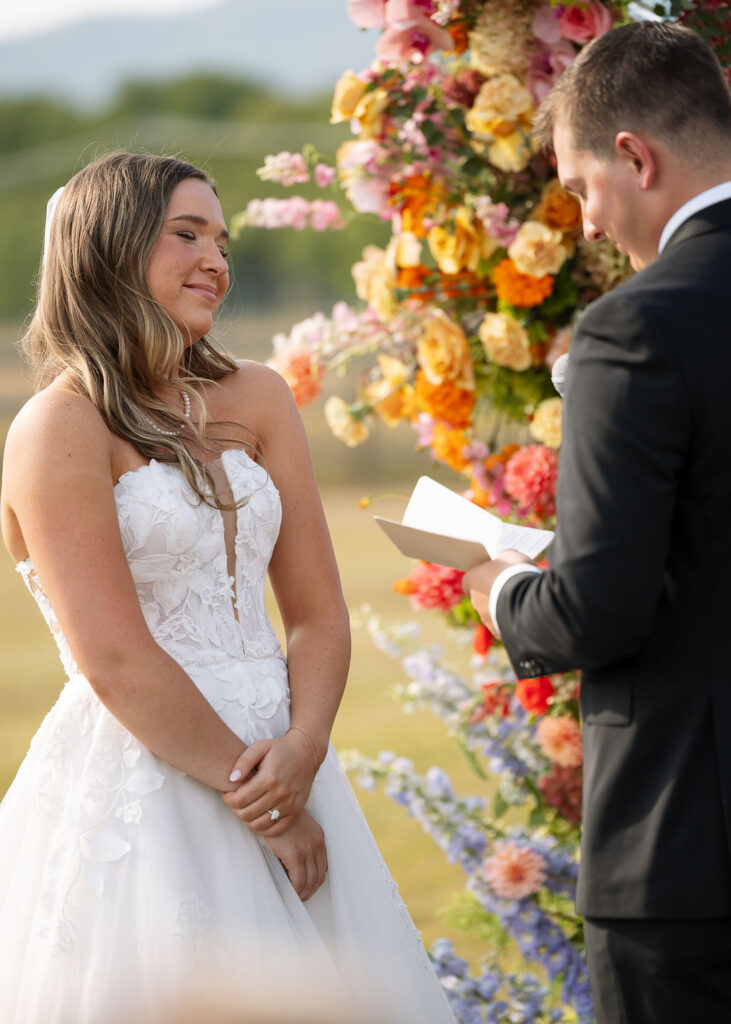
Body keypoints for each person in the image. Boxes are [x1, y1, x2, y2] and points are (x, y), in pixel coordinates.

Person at [0, 152, 455, 1024]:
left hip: (286, 754)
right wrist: (265, 809)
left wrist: (305, 751)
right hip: (151, 775)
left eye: (222, 238)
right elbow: (115, 657)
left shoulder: (261, 397)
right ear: (110, 248)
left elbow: (317, 614)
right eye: (187, 233)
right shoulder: (57, 427)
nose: (216, 258)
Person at [462, 21, 731, 1024]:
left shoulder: (638, 325)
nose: (580, 224)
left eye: (578, 188)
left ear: (632, 156)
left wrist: (500, 587)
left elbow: (596, 609)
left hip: (689, 851)